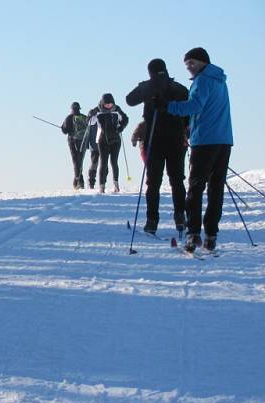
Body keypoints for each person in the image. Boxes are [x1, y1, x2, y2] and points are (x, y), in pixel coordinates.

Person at [165, 47, 233, 252]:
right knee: (216, 188)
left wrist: (168, 106)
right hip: (224, 140)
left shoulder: (203, 81)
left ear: (203, 62)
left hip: (205, 142)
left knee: (196, 187)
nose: (189, 69)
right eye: (187, 65)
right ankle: (211, 235)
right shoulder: (220, 80)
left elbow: (194, 106)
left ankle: (193, 233)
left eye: (192, 64)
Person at [126, 58, 190, 235]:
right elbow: (188, 112)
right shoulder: (179, 88)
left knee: (153, 182)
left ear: (150, 72)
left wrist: (146, 88)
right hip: (176, 139)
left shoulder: (148, 87)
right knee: (177, 180)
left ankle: (152, 221)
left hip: (154, 139)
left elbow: (129, 100)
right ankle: (180, 216)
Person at [87, 93, 128, 193]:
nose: (109, 106)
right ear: (102, 103)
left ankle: (116, 185)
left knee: (114, 162)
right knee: (103, 163)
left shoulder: (116, 110)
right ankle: (102, 186)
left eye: (110, 104)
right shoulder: (97, 111)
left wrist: (121, 127)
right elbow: (89, 123)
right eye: (106, 104)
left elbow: (126, 119)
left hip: (115, 140)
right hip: (102, 140)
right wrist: (90, 115)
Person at [61, 102, 88, 189]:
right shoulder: (84, 117)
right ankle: (79, 181)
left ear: (72, 109)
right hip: (82, 141)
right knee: (80, 160)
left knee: (75, 160)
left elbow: (64, 131)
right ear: (79, 108)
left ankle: (77, 180)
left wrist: (64, 128)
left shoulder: (69, 117)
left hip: (72, 141)